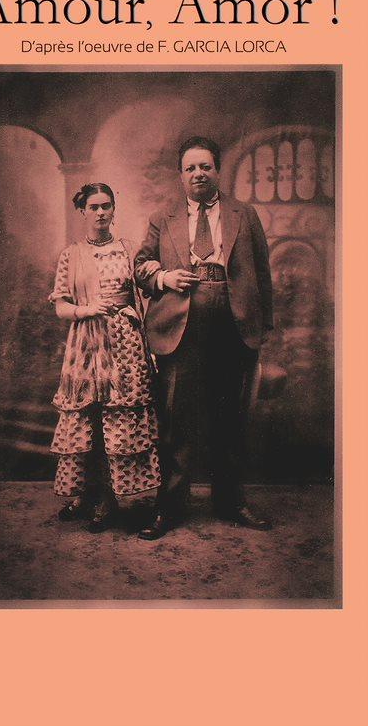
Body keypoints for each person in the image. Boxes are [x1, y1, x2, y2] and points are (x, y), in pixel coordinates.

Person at [134, 136, 273, 539]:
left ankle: (231, 501)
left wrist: (263, 327)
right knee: (176, 419)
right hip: (181, 323)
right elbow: (141, 265)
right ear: (181, 175)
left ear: (217, 170)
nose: (198, 174)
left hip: (233, 321)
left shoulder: (244, 214)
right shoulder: (163, 217)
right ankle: (169, 506)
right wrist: (164, 277)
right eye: (190, 168)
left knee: (229, 417)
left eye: (205, 166)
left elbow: (262, 273)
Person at [49, 182, 160, 533]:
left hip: (125, 345)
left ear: (114, 209)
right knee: (88, 419)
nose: (100, 212)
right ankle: (86, 494)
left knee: (116, 419)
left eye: (106, 206)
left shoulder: (128, 249)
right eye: (94, 207)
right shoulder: (71, 254)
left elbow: (147, 292)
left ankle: (108, 499)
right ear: (82, 211)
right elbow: (61, 306)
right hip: (85, 344)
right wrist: (86, 309)